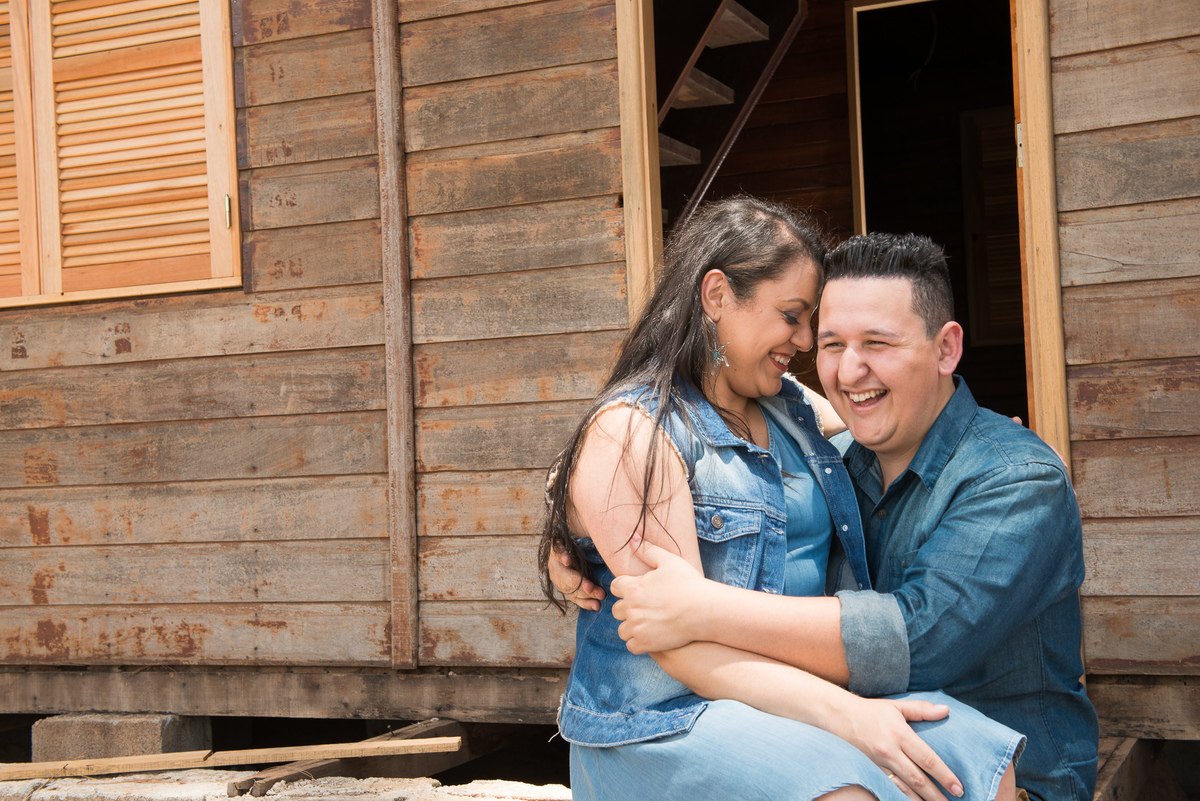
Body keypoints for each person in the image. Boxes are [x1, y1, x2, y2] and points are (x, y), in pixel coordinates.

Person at [553, 231, 1099, 801]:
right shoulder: (835, 463)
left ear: (945, 349)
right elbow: (629, 439)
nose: (850, 369)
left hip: (1012, 771)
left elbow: (917, 639)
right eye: (832, 344)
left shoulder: (1014, 479)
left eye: (878, 343)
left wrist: (702, 608)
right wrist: (569, 516)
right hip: (850, 738)